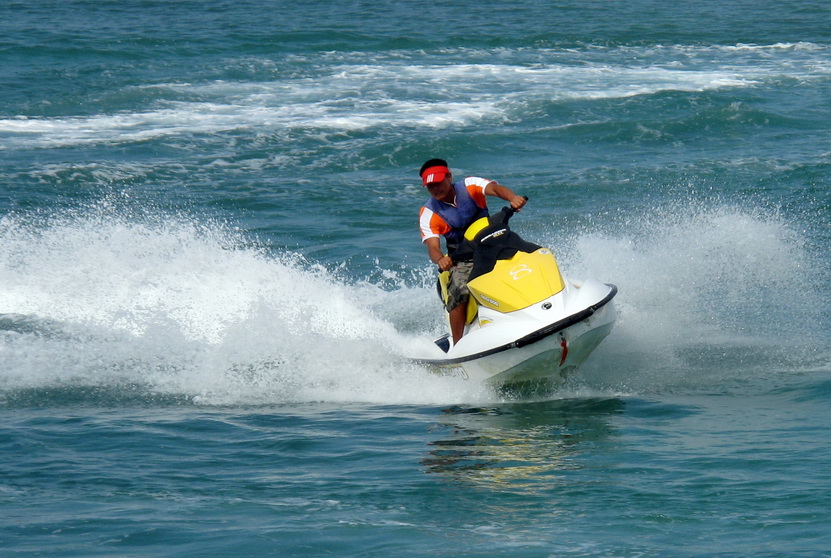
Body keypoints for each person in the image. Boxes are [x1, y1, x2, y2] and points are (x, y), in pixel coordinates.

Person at [417, 158, 526, 345]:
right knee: (459, 290)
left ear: (449, 177)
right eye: (430, 186)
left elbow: (494, 189)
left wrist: (512, 198)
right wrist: (440, 259)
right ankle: (458, 345)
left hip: (494, 242)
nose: (436, 189)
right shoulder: (429, 212)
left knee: (532, 256)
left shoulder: (469, 185)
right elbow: (432, 246)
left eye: (439, 182)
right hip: (462, 259)